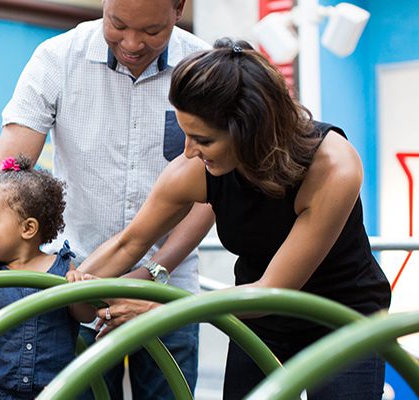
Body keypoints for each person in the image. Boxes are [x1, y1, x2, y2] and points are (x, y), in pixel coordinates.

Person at [74, 38, 391, 399]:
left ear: (250, 130)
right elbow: (129, 242)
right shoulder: (196, 167)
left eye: (203, 140)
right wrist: (73, 288)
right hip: (257, 319)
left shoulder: (333, 165)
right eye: (185, 134)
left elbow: (274, 291)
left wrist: (160, 308)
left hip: (339, 318)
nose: (189, 151)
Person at [0, 0, 215, 398]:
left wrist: (154, 271)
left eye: (152, 31)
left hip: (167, 286)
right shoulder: (57, 57)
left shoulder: (203, 66)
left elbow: (211, 191)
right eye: (117, 24)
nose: (132, 43)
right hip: (74, 284)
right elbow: (5, 171)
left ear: (178, 10)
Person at [0, 155, 95, 399]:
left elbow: (86, 315)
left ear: (28, 228)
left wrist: (81, 291)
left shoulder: (63, 268)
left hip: (56, 393)